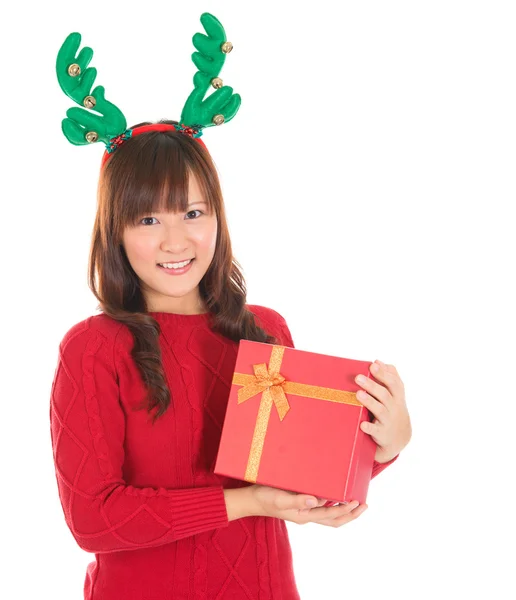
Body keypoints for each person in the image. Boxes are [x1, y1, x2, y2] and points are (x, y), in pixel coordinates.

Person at [50, 13, 411, 600]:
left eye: (193, 213)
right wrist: (250, 502)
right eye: (148, 219)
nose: (176, 240)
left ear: (217, 216)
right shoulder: (94, 348)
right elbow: (95, 520)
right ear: (113, 230)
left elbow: (305, 477)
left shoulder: (265, 332)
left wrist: (386, 445)